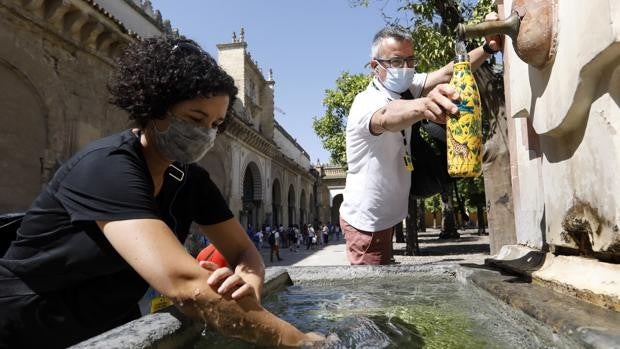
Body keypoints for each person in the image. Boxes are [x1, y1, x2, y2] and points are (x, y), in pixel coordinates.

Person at [0, 36, 322, 348]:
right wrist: (300, 341)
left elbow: (244, 251)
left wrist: (248, 284)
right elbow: (185, 285)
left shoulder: (189, 179)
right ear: (156, 108)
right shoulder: (108, 168)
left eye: (215, 124)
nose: (205, 134)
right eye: (196, 118)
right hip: (29, 323)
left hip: (110, 324)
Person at [339, 22, 502, 265]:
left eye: (410, 60)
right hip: (367, 222)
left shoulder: (406, 87)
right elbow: (386, 116)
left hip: (387, 216)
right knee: (373, 297)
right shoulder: (366, 102)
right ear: (375, 66)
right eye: (396, 62)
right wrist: (424, 106)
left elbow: (450, 73)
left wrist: (488, 49)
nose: (405, 68)